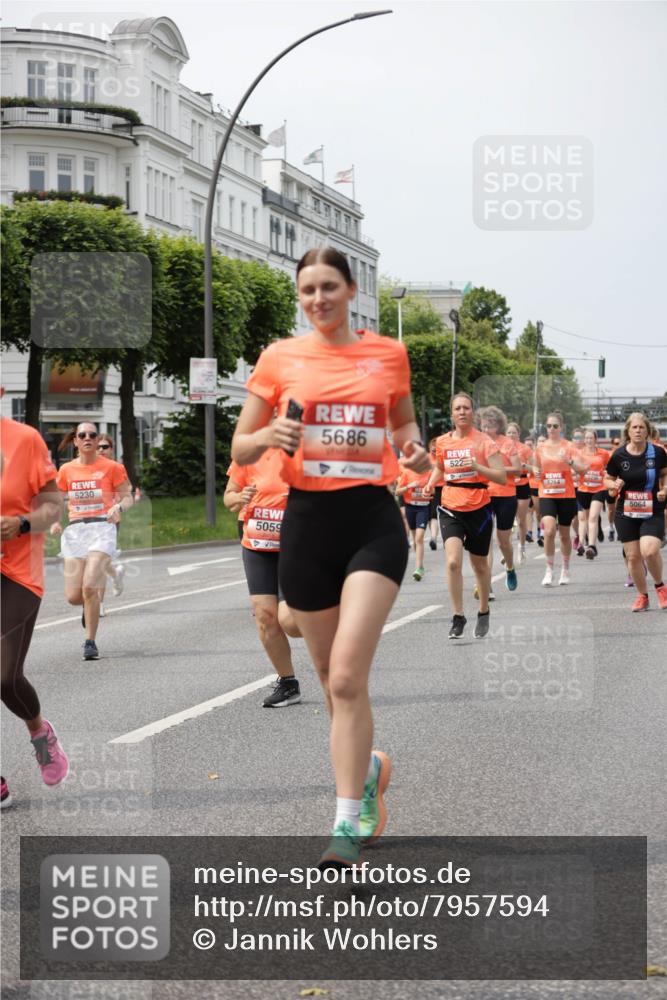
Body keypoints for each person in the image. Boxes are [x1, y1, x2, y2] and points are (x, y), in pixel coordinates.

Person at [230, 247, 430, 869]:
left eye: (328, 287)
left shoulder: (387, 354)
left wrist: (416, 453)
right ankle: (367, 770)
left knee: (346, 677)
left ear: (351, 290)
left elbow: (403, 429)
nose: (317, 299)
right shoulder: (279, 358)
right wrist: (269, 437)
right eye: (307, 289)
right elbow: (241, 439)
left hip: (371, 521)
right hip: (307, 525)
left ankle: (345, 826)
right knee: (327, 681)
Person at [1, 411, 69, 807]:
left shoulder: (24, 440)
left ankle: (40, 734)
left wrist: (23, 523)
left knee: (5, 678)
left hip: (17, 573)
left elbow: (52, 506)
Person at [224, 445, 303, 707]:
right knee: (265, 618)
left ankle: (327, 626)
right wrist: (239, 497)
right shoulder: (249, 455)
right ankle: (288, 683)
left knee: (290, 621)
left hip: (296, 549)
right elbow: (229, 497)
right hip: (257, 546)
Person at [423, 393, 507, 639]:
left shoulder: (485, 442)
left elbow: (501, 476)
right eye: (457, 408)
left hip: (479, 506)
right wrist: (430, 484)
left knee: (479, 565)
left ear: (473, 412)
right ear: (452, 414)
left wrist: (477, 467)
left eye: (466, 408)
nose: (462, 412)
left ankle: (483, 611)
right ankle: (458, 616)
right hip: (450, 504)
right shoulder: (442, 442)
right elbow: (440, 467)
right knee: (452, 562)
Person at [51, 422, 133, 660]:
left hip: (102, 527)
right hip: (75, 531)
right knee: (74, 597)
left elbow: (127, 496)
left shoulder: (112, 467)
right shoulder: (66, 470)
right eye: (82, 435)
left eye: (92, 435)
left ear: (98, 441)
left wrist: (118, 506)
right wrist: (56, 521)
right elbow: (57, 500)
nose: (88, 438)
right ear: (75, 441)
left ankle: (90, 642)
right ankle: (90, 606)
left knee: (89, 586)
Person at [605, 412, 667, 611]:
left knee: (649, 550)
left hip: (652, 509)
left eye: (642, 427)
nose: (638, 431)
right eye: (634, 427)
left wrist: (665, 489)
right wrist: (614, 484)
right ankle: (642, 595)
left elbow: (665, 475)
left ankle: (660, 587)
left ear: (647, 431)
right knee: (632, 557)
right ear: (628, 431)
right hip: (626, 512)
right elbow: (606, 480)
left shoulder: (657, 453)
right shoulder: (619, 455)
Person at [532, 413, 589, 586]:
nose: (551, 429)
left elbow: (583, 470)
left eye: (555, 426)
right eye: (549, 426)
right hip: (547, 494)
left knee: (564, 535)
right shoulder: (540, 448)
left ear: (561, 427)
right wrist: (536, 471)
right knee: (549, 531)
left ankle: (565, 568)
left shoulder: (570, 447)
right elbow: (536, 466)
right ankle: (549, 570)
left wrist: (569, 461)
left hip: (566, 495)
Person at [478, 406, 521, 594]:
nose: (487, 430)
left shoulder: (507, 443)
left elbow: (518, 469)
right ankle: (486, 585)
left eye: (491, 426)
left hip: (506, 496)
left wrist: (496, 469)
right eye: (484, 426)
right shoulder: (478, 443)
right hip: (483, 495)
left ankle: (510, 567)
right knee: (485, 542)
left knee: (503, 541)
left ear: (499, 425)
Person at [95, 434, 126, 615]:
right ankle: (115, 574)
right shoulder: (85, 467)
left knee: (98, 563)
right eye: (98, 447)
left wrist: (117, 507)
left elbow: (125, 495)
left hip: (109, 521)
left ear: (111, 449)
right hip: (87, 522)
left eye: (105, 447)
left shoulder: (116, 468)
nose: (101, 450)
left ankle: (98, 603)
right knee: (96, 562)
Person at [575, 429, 609, 559]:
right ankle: (582, 543)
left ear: (596, 439)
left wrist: (606, 475)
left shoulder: (603, 453)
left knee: (593, 517)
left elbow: (609, 467)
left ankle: (592, 546)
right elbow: (574, 470)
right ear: (584, 440)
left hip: (599, 489)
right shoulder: (579, 454)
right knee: (585, 518)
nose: (589, 440)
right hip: (583, 489)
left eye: (591, 438)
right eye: (587, 438)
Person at [395, 465, 432, 580]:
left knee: (419, 538)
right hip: (410, 508)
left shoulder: (429, 473)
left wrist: (427, 489)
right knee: (415, 537)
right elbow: (397, 492)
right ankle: (420, 565)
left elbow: (433, 490)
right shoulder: (407, 473)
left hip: (423, 508)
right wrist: (409, 486)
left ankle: (418, 568)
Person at [506, 423, 533, 563]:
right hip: (508, 485)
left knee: (521, 520)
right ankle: (508, 549)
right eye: (509, 432)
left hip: (523, 485)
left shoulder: (525, 449)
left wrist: (523, 466)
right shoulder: (502, 448)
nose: (511, 435)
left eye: (513, 433)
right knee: (508, 520)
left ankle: (521, 547)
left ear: (519, 434)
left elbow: (535, 467)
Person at [528, 434, 546, 546]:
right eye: (540, 441)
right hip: (534, 485)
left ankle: (543, 534)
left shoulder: (551, 454)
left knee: (546, 511)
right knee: (538, 512)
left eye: (544, 441)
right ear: (536, 443)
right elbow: (527, 469)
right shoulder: (532, 455)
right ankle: (540, 529)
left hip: (548, 486)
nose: (542, 443)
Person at [427, 437, 444, 551]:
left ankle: (434, 537)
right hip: (429, 488)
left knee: (438, 513)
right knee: (431, 515)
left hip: (443, 487)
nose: (434, 449)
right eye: (432, 447)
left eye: (436, 447)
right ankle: (433, 537)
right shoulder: (426, 458)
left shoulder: (442, 457)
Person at [606, 437, 621, 541]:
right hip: (611, 486)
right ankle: (611, 528)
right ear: (612, 445)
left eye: (619, 443)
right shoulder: (608, 455)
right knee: (611, 510)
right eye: (616, 443)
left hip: (621, 485)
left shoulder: (624, 454)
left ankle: (620, 530)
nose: (618, 445)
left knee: (619, 509)